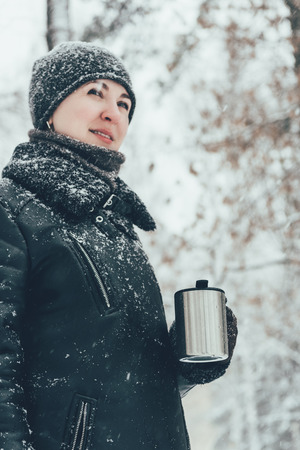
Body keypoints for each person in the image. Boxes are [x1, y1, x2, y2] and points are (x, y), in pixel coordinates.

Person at [0, 42, 237, 450]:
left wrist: (185, 364)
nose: (113, 112)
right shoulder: (13, 209)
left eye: (125, 103)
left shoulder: (116, 221)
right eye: (95, 92)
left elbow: (124, 380)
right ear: (50, 108)